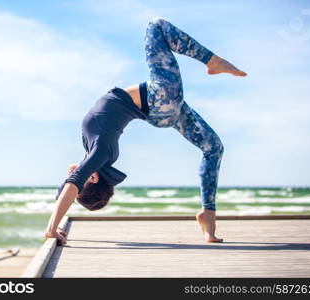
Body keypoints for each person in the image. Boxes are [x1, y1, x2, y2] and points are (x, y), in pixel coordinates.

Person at [45, 17, 246, 245]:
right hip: (160, 98)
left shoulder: (96, 154)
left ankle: (208, 215)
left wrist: (57, 219)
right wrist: (52, 230)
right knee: (156, 26)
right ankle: (213, 61)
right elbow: (73, 185)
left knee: (214, 148)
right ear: (92, 176)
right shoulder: (100, 153)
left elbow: (66, 189)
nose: (69, 175)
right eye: (79, 179)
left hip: (163, 112)